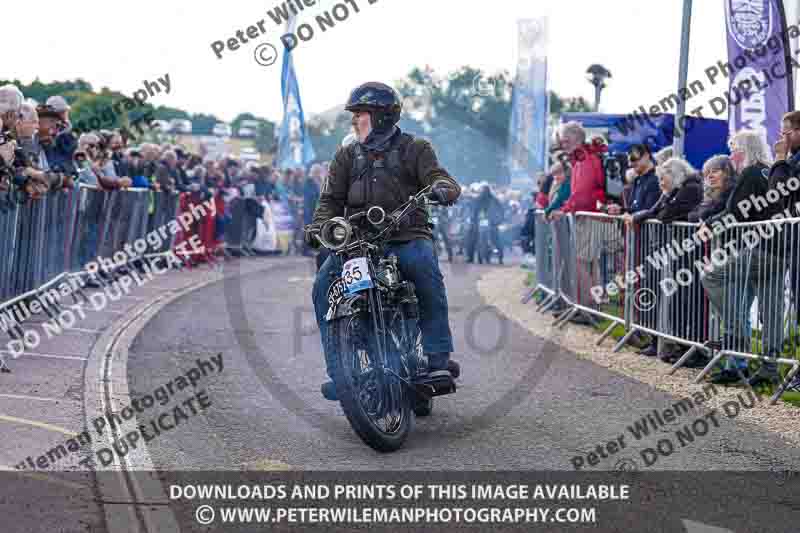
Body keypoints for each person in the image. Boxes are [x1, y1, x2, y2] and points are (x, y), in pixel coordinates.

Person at [304, 82, 461, 401]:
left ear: (381, 117)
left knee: (425, 272)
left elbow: (440, 178)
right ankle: (340, 372)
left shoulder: (416, 148)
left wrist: (442, 188)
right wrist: (320, 226)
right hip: (358, 244)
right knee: (323, 287)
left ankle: (437, 361)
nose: (354, 121)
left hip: (406, 237)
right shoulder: (346, 155)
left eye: (359, 114)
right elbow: (330, 200)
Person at [703, 130, 787, 388]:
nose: (731, 156)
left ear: (745, 149)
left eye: (734, 149)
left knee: (712, 275)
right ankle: (768, 369)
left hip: (758, 249)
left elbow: (735, 212)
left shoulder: (750, 173)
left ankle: (736, 338)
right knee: (771, 311)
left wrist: (710, 224)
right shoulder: (769, 171)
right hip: (779, 249)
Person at [466, 183, 504, 264]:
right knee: (471, 238)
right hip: (479, 222)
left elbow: (500, 211)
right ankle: (470, 257)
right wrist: (472, 219)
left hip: (491, 223)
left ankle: (500, 257)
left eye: (486, 190)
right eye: (483, 190)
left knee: (497, 239)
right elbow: (473, 210)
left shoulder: (494, 200)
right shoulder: (478, 200)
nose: (485, 192)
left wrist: (498, 220)